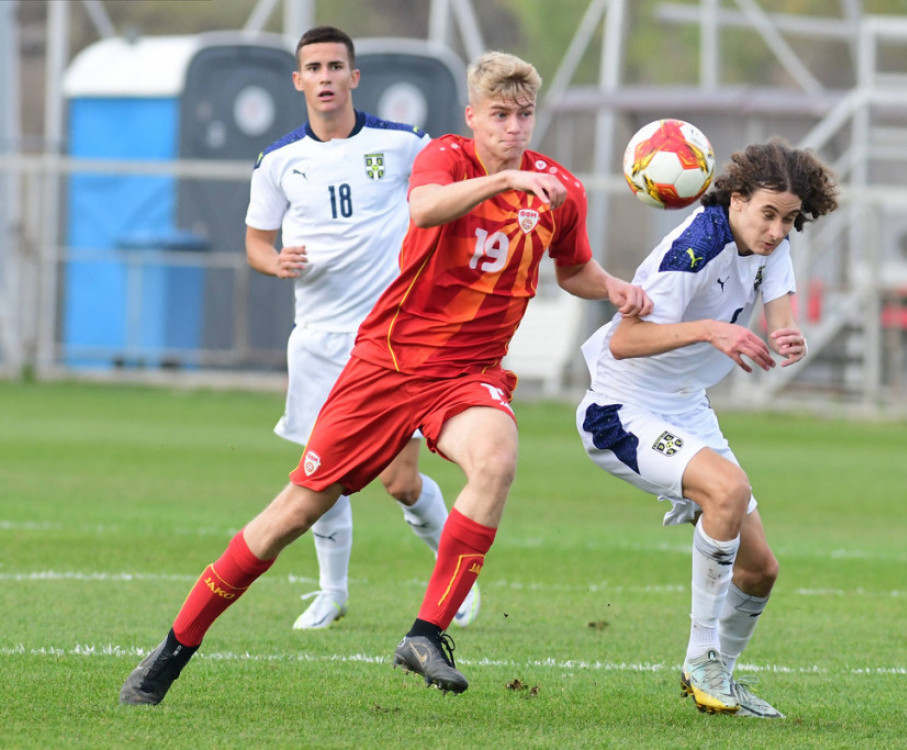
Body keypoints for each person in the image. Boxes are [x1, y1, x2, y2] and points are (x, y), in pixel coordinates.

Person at [119, 49, 651, 705]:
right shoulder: (448, 160)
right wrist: (502, 184)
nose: (514, 129)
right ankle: (173, 651)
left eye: (525, 116)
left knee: (496, 459)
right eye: (500, 115)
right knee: (293, 514)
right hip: (389, 365)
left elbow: (574, 272)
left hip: (468, 374)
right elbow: (426, 209)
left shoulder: (555, 189)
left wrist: (616, 286)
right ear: (472, 118)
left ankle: (426, 633)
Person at [576, 139, 838, 718]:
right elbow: (623, 341)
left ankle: (722, 676)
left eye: (789, 218)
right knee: (727, 489)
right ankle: (701, 662)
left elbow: (782, 314)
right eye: (768, 214)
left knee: (760, 568)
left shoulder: (773, 244)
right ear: (737, 199)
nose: (777, 230)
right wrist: (710, 331)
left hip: (685, 406)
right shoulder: (695, 248)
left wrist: (788, 335)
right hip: (621, 408)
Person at [244, 25, 478, 632]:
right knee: (317, 475)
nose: (325, 77)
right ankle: (332, 591)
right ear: (298, 81)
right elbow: (256, 242)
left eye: (335, 66)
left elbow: (447, 191)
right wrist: (275, 262)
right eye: (313, 68)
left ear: (354, 77)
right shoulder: (277, 162)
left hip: (389, 342)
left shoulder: (403, 146)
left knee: (401, 483)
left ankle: (451, 576)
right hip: (317, 339)